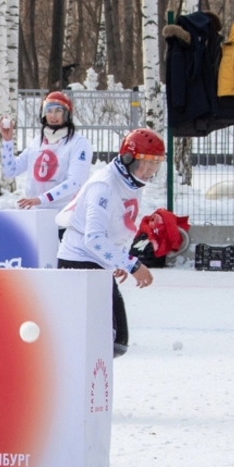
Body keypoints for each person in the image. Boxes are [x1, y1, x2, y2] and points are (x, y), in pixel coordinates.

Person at [56, 128, 166, 358]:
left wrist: (116, 257)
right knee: (109, 341)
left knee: (115, 341)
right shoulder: (104, 186)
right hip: (80, 262)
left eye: (155, 164)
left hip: (96, 262)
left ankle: (94, 388)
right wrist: (131, 264)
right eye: (145, 163)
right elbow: (94, 238)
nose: (149, 171)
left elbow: (117, 226)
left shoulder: (131, 181)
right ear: (128, 158)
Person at [0, 91, 93, 212]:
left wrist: (42, 199)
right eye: (49, 111)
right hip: (36, 214)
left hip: (65, 216)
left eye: (58, 111)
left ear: (67, 114)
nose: (53, 116)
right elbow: (10, 171)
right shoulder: (37, 142)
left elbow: (75, 182)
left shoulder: (79, 143)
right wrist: (7, 141)